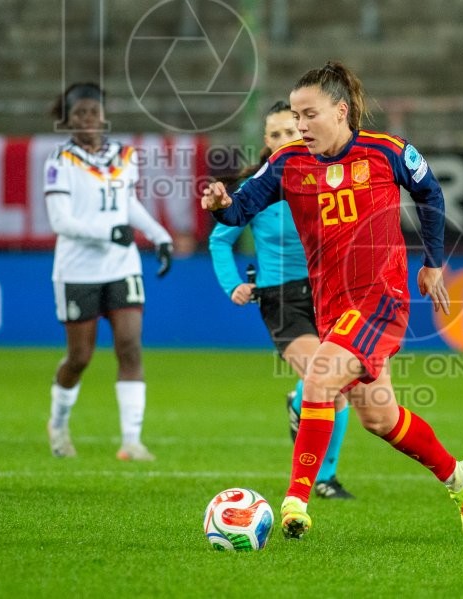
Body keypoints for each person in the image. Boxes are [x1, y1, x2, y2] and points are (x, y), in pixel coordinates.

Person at [201, 61, 463, 540]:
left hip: (381, 298)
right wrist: (221, 205)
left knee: (319, 376)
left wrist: (433, 262)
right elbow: (243, 205)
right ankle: (460, 477)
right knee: (380, 416)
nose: (300, 125)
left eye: (309, 115)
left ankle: (295, 502)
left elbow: (430, 193)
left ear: (341, 110)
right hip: (331, 304)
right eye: (295, 115)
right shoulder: (289, 162)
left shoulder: (387, 151)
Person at [209, 100, 354, 499]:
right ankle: (322, 479)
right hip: (281, 299)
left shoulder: (331, 177)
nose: (285, 140)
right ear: (266, 143)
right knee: (327, 383)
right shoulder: (257, 188)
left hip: (328, 291)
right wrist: (232, 283)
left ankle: (302, 409)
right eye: (275, 135)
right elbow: (219, 238)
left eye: (291, 132)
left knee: (332, 384)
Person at [44, 82, 173, 461]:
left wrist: (159, 234)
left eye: (93, 111)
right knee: (80, 357)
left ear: (103, 114)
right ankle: (58, 422)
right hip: (77, 270)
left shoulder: (124, 155)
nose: (87, 118)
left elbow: (126, 203)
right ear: (67, 119)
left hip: (121, 266)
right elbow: (60, 220)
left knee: (130, 346)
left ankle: (132, 441)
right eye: (79, 112)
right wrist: (107, 232)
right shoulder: (59, 162)